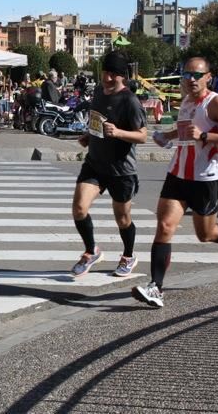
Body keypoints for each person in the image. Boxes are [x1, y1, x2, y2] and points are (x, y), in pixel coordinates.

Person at [132, 57, 218, 308]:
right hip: (178, 173)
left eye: (197, 75)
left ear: (208, 77)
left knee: (204, 234)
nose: (191, 80)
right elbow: (187, 130)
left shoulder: (216, 103)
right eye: (187, 75)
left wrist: (206, 135)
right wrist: (167, 135)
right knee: (164, 225)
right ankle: (156, 287)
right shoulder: (185, 101)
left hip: (206, 177)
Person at [71, 50, 147, 278]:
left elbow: (143, 135)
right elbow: (97, 121)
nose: (108, 77)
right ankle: (91, 250)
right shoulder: (98, 92)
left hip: (121, 170)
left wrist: (119, 132)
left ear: (122, 76)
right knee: (79, 208)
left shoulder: (130, 100)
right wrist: (89, 135)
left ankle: (128, 256)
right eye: (105, 72)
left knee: (122, 219)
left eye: (113, 74)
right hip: (95, 164)